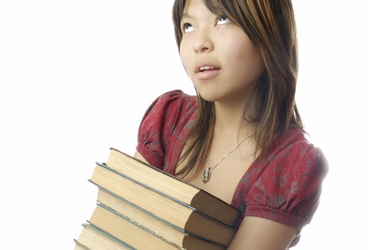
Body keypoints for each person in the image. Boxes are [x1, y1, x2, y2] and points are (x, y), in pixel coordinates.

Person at [133, 0, 328, 249]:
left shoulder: (291, 163)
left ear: (269, 31)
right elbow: (118, 222)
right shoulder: (169, 117)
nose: (200, 43)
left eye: (222, 20)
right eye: (188, 25)